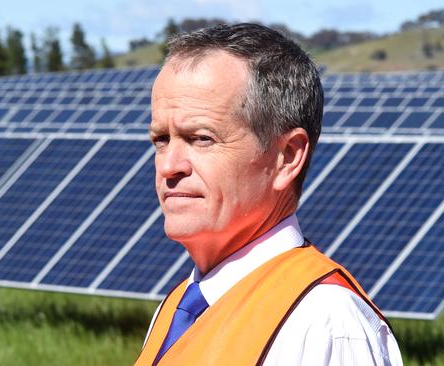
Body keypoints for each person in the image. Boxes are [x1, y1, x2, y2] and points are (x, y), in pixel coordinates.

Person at [136, 23, 403, 366]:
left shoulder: (325, 323)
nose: (169, 166)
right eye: (161, 140)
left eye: (201, 139)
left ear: (287, 157)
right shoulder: (176, 306)